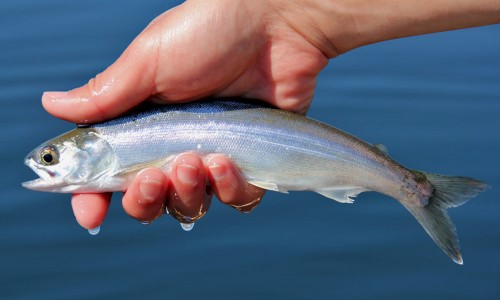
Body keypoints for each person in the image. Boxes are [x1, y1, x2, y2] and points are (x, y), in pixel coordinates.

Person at [41, 0, 500, 231]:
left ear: (87, 146)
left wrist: (281, 14)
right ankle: (412, 188)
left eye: (50, 158)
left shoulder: (114, 142)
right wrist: (284, 16)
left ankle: (415, 189)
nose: (46, 164)